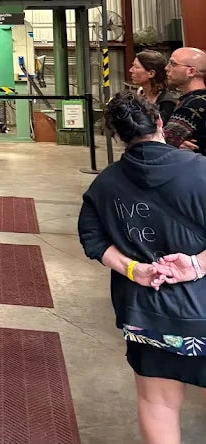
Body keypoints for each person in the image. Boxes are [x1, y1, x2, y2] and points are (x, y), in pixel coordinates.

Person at [78, 92, 206, 444]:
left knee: (158, 403)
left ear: (117, 135)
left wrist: (134, 269)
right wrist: (196, 265)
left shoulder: (105, 183)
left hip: (146, 313)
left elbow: (92, 237)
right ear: (160, 122)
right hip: (202, 310)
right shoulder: (201, 170)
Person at [164, 47, 206, 155]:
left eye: (173, 63)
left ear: (191, 71)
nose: (166, 68)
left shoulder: (190, 107)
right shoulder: (193, 100)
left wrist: (173, 144)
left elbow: (160, 145)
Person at [129, 50, 178, 124]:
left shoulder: (166, 103)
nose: (131, 70)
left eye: (136, 67)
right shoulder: (138, 96)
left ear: (151, 73)